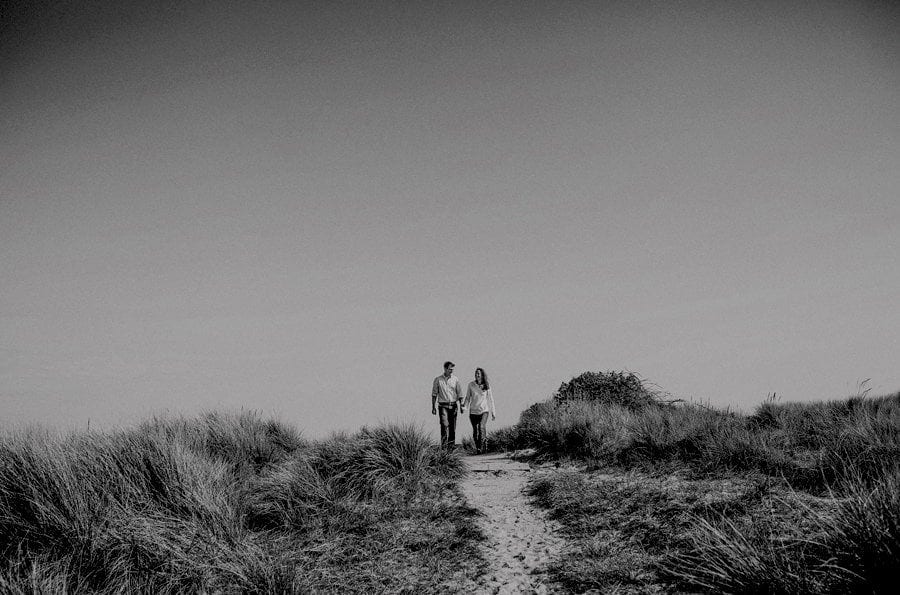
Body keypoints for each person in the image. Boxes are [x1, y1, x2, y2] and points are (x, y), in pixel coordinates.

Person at [432, 361, 463, 449]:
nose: (451, 371)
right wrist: (433, 407)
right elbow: (434, 394)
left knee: (452, 427)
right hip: (443, 406)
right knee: (444, 425)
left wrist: (461, 405)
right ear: (445, 369)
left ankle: (451, 447)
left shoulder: (455, 379)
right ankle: (444, 446)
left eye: (452, 369)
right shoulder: (438, 380)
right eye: (450, 369)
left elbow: (460, 393)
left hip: (453, 405)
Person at [465, 367, 496, 453]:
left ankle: (483, 447)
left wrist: (493, 412)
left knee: (481, 427)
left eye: (478, 373)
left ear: (482, 375)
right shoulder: (471, 385)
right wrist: (465, 407)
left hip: (484, 411)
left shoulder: (487, 385)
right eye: (475, 373)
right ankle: (478, 448)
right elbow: (467, 397)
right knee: (475, 431)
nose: (476, 375)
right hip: (473, 412)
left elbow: (491, 399)